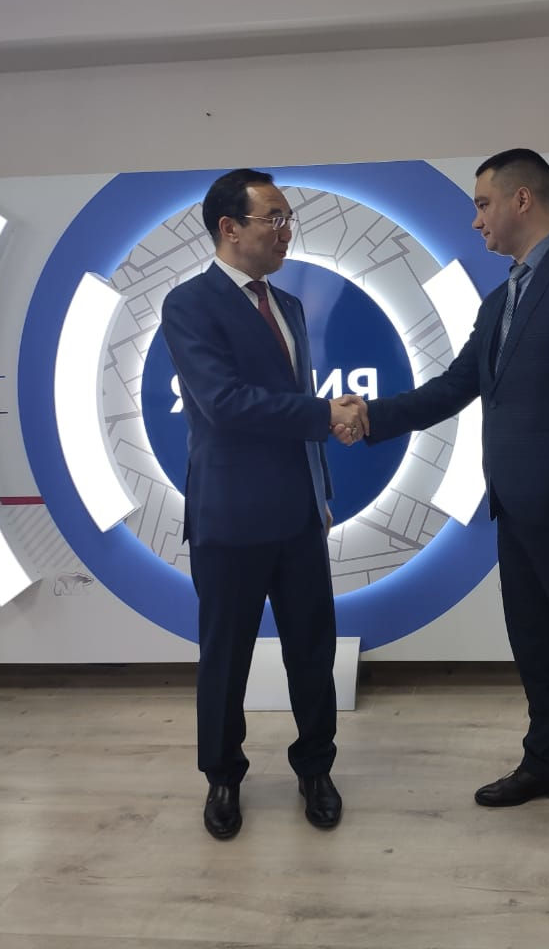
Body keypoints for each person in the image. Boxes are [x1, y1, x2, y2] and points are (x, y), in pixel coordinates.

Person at [343, 148, 549, 888]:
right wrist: (373, 416)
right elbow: (454, 386)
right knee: (537, 652)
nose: (476, 219)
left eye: (483, 203)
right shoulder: (500, 301)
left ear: (523, 200)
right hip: (517, 514)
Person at [160, 169, 366, 840]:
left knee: (313, 651)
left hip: (299, 516)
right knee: (226, 659)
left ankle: (316, 769)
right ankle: (223, 777)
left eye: (287, 219)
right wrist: (323, 414)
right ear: (229, 228)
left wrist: (320, 490)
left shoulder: (291, 306)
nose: (286, 230)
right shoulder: (188, 305)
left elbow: (291, 407)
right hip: (230, 518)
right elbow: (224, 404)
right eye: (273, 218)